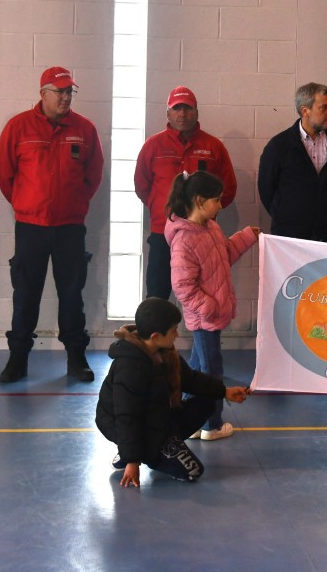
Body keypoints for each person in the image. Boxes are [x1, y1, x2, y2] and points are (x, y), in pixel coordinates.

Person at [0, 66, 104, 384]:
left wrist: (77, 204)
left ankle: (75, 357)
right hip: (31, 226)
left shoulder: (85, 130)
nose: (66, 97)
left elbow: (92, 175)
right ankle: (18, 359)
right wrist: (25, 204)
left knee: (72, 294)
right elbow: (6, 176)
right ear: (43, 93)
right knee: (25, 293)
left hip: (70, 227)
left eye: (70, 91)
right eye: (60, 91)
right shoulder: (19, 127)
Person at [95, 297, 250, 487]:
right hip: (125, 424)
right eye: (173, 330)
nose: (177, 334)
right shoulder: (129, 368)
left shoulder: (165, 351)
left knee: (208, 401)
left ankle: (150, 447)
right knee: (194, 471)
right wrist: (133, 461)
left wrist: (224, 391)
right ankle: (140, 453)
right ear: (155, 336)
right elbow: (127, 417)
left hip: (156, 417)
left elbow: (189, 379)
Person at [164, 171, 259, 441]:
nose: (220, 205)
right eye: (216, 200)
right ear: (199, 200)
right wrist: (209, 308)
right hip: (205, 318)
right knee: (212, 372)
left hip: (212, 315)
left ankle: (187, 418)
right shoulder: (184, 239)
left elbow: (224, 255)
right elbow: (183, 286)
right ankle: (211, 424)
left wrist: (246, 237)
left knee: (196, 369)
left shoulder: (211, 227)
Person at [134, 86, 237, 299]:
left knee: (206, 293)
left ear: (197, 112)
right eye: (177, 108)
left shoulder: (213, 146)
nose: (182, 114)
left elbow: (228, 187)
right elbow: (142, 186)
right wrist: (159, 206)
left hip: (202, 234)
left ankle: (202, 333)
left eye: (188, 108)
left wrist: (206, 214)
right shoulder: (153, 146)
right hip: (162, 232)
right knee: (157, 292)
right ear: (168, 114)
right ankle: (155, 332)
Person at [257, 82, 327, 243]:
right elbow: (266, 189)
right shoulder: (279, 145)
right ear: (305, 110)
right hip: (288, 235)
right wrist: (286, 215)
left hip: (326, 235)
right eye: (324, 107)